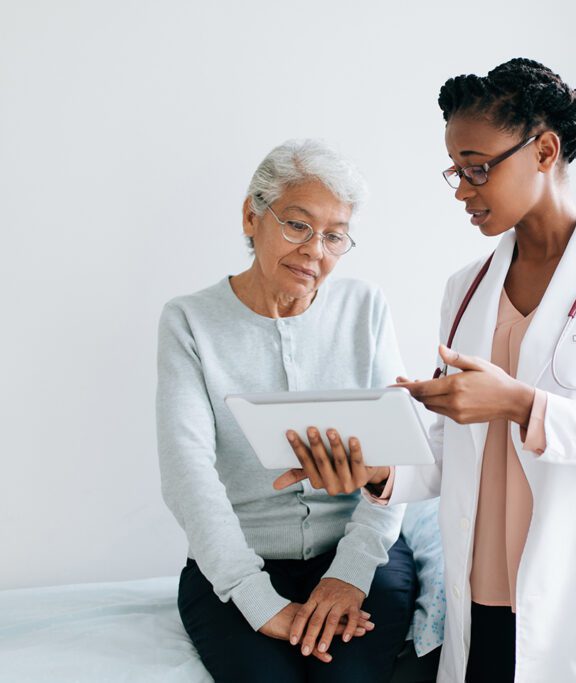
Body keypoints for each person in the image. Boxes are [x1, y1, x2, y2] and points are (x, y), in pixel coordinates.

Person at [275, 59, 576, 682]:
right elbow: (454, 454)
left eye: (478, 167)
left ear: (545, 150)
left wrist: (522, 405)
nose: (461, 189)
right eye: (455, 171)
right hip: (484, 595)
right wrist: (376, 471)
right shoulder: (465, 289)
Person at [157, 139, 416, 682]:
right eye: (298, 225)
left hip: (360, 552)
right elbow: (187, 473)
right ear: (252, 216)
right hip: (236, 562)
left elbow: (399, 456)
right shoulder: (189, 321)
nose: (315, 251)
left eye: (334, 236)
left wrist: (349, 572)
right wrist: (256, 598)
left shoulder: (364, 307)